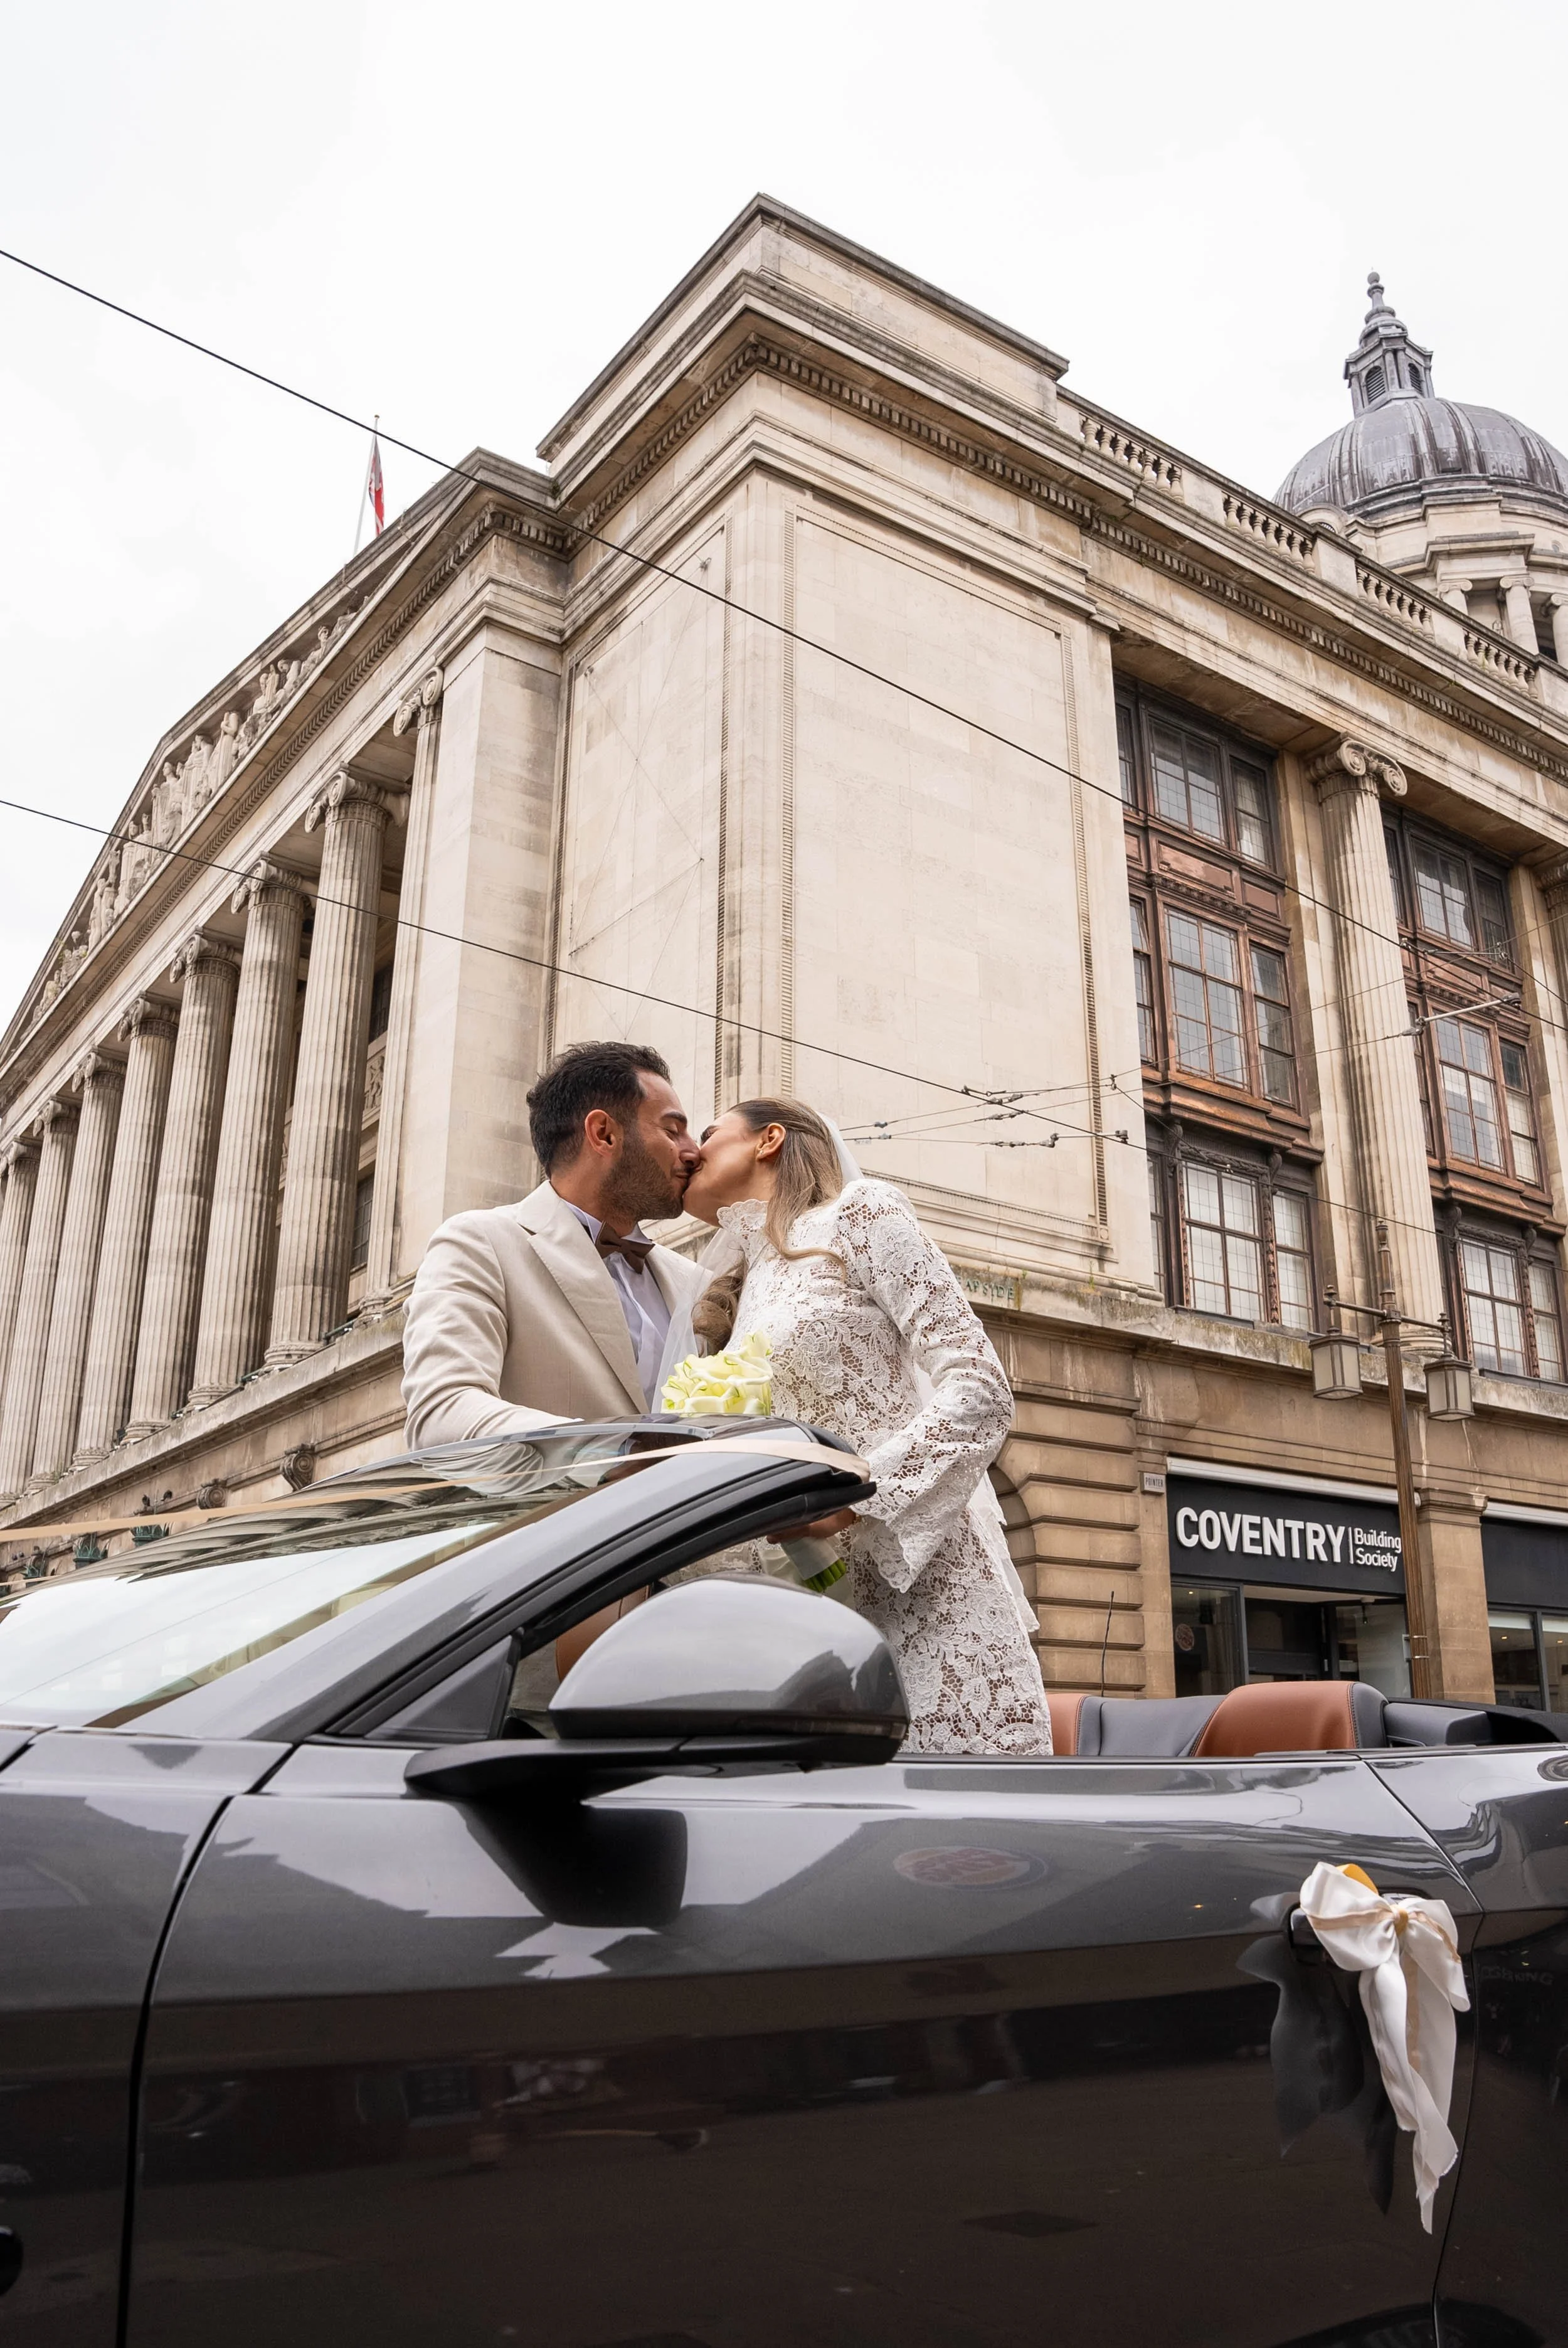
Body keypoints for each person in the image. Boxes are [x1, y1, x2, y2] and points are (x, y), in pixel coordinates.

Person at [682, 1097, 1052, 1756]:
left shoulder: (860, 1214)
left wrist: (848, 1500)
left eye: (708, 1133)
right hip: (818, 1631)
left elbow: (980, 1388)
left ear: (770, 1139)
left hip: (931, 1607)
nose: (692, 1149)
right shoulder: (737, 1291)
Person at [401, 1041, 709, 1447]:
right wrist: (612, 1453)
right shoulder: (480, 1244)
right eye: (673, 1130)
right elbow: (442, 1414)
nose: (694, 1151)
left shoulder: (698, 1281)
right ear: (604, 1134)